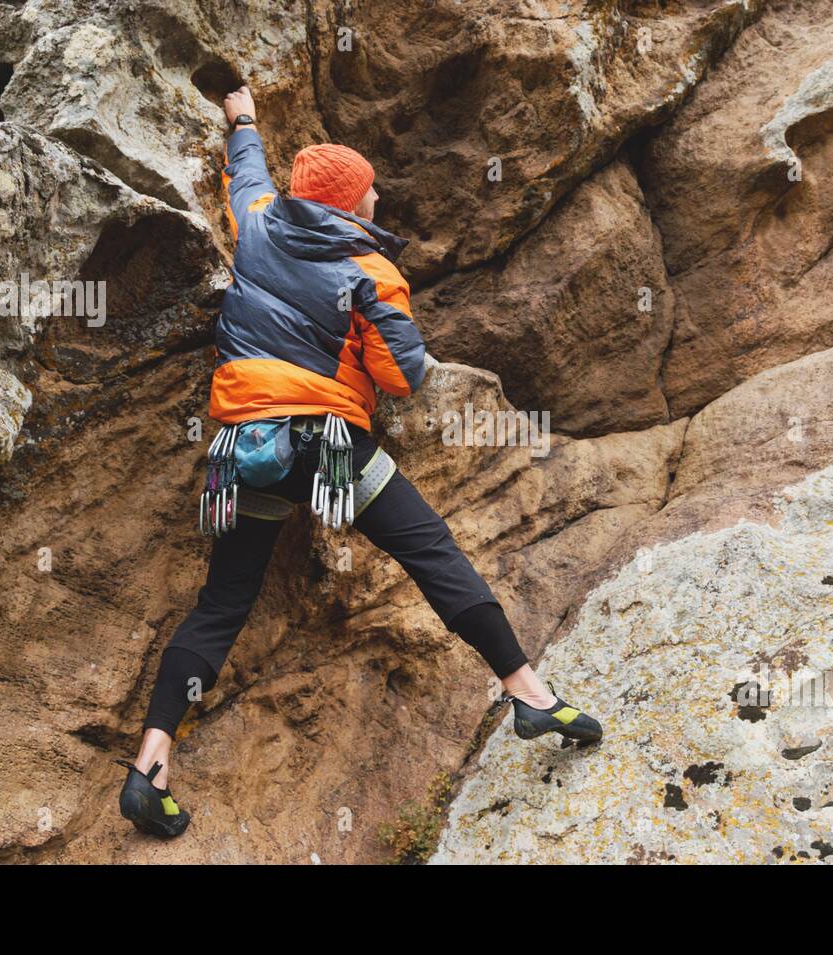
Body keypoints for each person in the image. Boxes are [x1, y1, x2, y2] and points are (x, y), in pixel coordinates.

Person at [117, 86, 602, 838]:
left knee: (223, 602)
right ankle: (527, 691)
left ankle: (151, 764)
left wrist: (242, 119)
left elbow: (244, 172)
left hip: (243, 447)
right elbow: (404, 375)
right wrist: (367, 327)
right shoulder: (371, 271)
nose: (378, 194)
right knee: (428, 547)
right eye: (370, 187)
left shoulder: (256, 223)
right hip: (324, 445)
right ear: (351, 201)